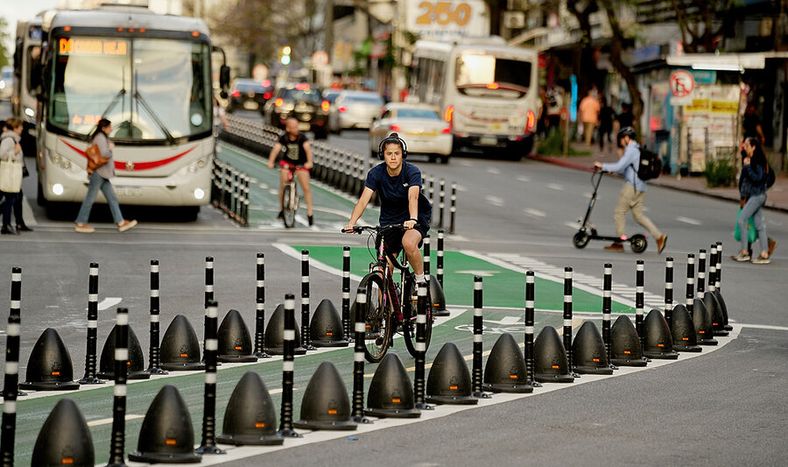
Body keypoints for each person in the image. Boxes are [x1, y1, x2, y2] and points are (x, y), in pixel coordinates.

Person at [343, 133, 432, 285]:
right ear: (382, 155)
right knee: (383, 272)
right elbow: (364, 200)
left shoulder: (412, 172)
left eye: (396, 153)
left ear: (402, 155)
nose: (393, 157)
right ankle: (385, 308)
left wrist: (413, 219)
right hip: (389, 220)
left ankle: (420, 279)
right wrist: (351, 222)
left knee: (409, 243)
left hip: (415, 216)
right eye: (389, 153)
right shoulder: (376, 173)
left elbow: (413, 197)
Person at [594, 127, 668, 253]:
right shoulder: (637, 149)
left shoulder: (631, 150)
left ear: (627, 138)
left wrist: (602, 165)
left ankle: (619, 242)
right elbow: (626, 169)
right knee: (638, 216)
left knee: (619, 212)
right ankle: (659, 237)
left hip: (632, 187)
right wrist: (610, 170)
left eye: (622, 139)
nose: (621, 142)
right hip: (641, 186)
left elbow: (620, 166)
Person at [74, 118, 138, 233]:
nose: (111, 129)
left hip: (102, 173)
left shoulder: (101, 137)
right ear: (104, 128)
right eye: (109, 127)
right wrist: (110, 148)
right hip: (99, 173)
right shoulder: (100, 138)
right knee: (90, 198)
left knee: (112, 198)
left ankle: (120, 222)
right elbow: (104, 154)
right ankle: (80, 223)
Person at [733, 137, 776, 264]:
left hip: (757, 196)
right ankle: (764, 253)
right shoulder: (750, 160)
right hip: (753, 196)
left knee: (742, 220)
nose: (745, 147)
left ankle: (745, 252)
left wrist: (747, 167)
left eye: (747, 145)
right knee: (759, 225)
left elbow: (758, 178)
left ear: (753, 147)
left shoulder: (757, 162)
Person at [267, 117, 314, 226]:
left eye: (297, 127)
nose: (295, 129)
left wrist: (309, 162)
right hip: (288, 163)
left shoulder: (302, 138)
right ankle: (282, 208)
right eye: (293, 127)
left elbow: (308, 151)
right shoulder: (284, 137)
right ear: (288, 128)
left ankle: (310, 213)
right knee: (283, 185)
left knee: (306, 188)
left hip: (301, 164)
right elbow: (276, 149)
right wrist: (271, 161)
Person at [0, 118, 25, 235]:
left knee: (11, 199)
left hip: (11, 175)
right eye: (20, 127)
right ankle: (6, 225)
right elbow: (2, 154)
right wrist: (14, 152)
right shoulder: (9, 139)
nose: (22, 129)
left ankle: (7, 225)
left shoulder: (14, 139)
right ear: (15, 128)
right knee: (10, 199)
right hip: (8, 175)